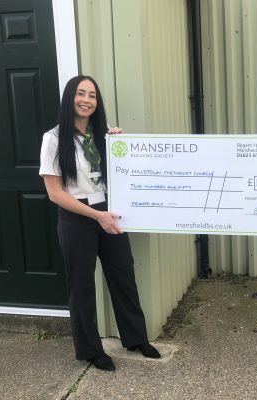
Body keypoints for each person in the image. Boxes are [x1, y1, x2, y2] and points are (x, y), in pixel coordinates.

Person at [39, 75, 160, 371]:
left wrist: (121, 144)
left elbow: (123, 173)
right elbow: (55, 193)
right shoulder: (53, 139)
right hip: (78, 217)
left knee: (123, 276)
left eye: (92, 95)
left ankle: (135, 338)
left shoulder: (104, 134)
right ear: (70, 98)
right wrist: (97, 217)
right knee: (81, 286)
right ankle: (91, 350)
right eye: (80, 94)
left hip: (110, 212)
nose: (86, 100)